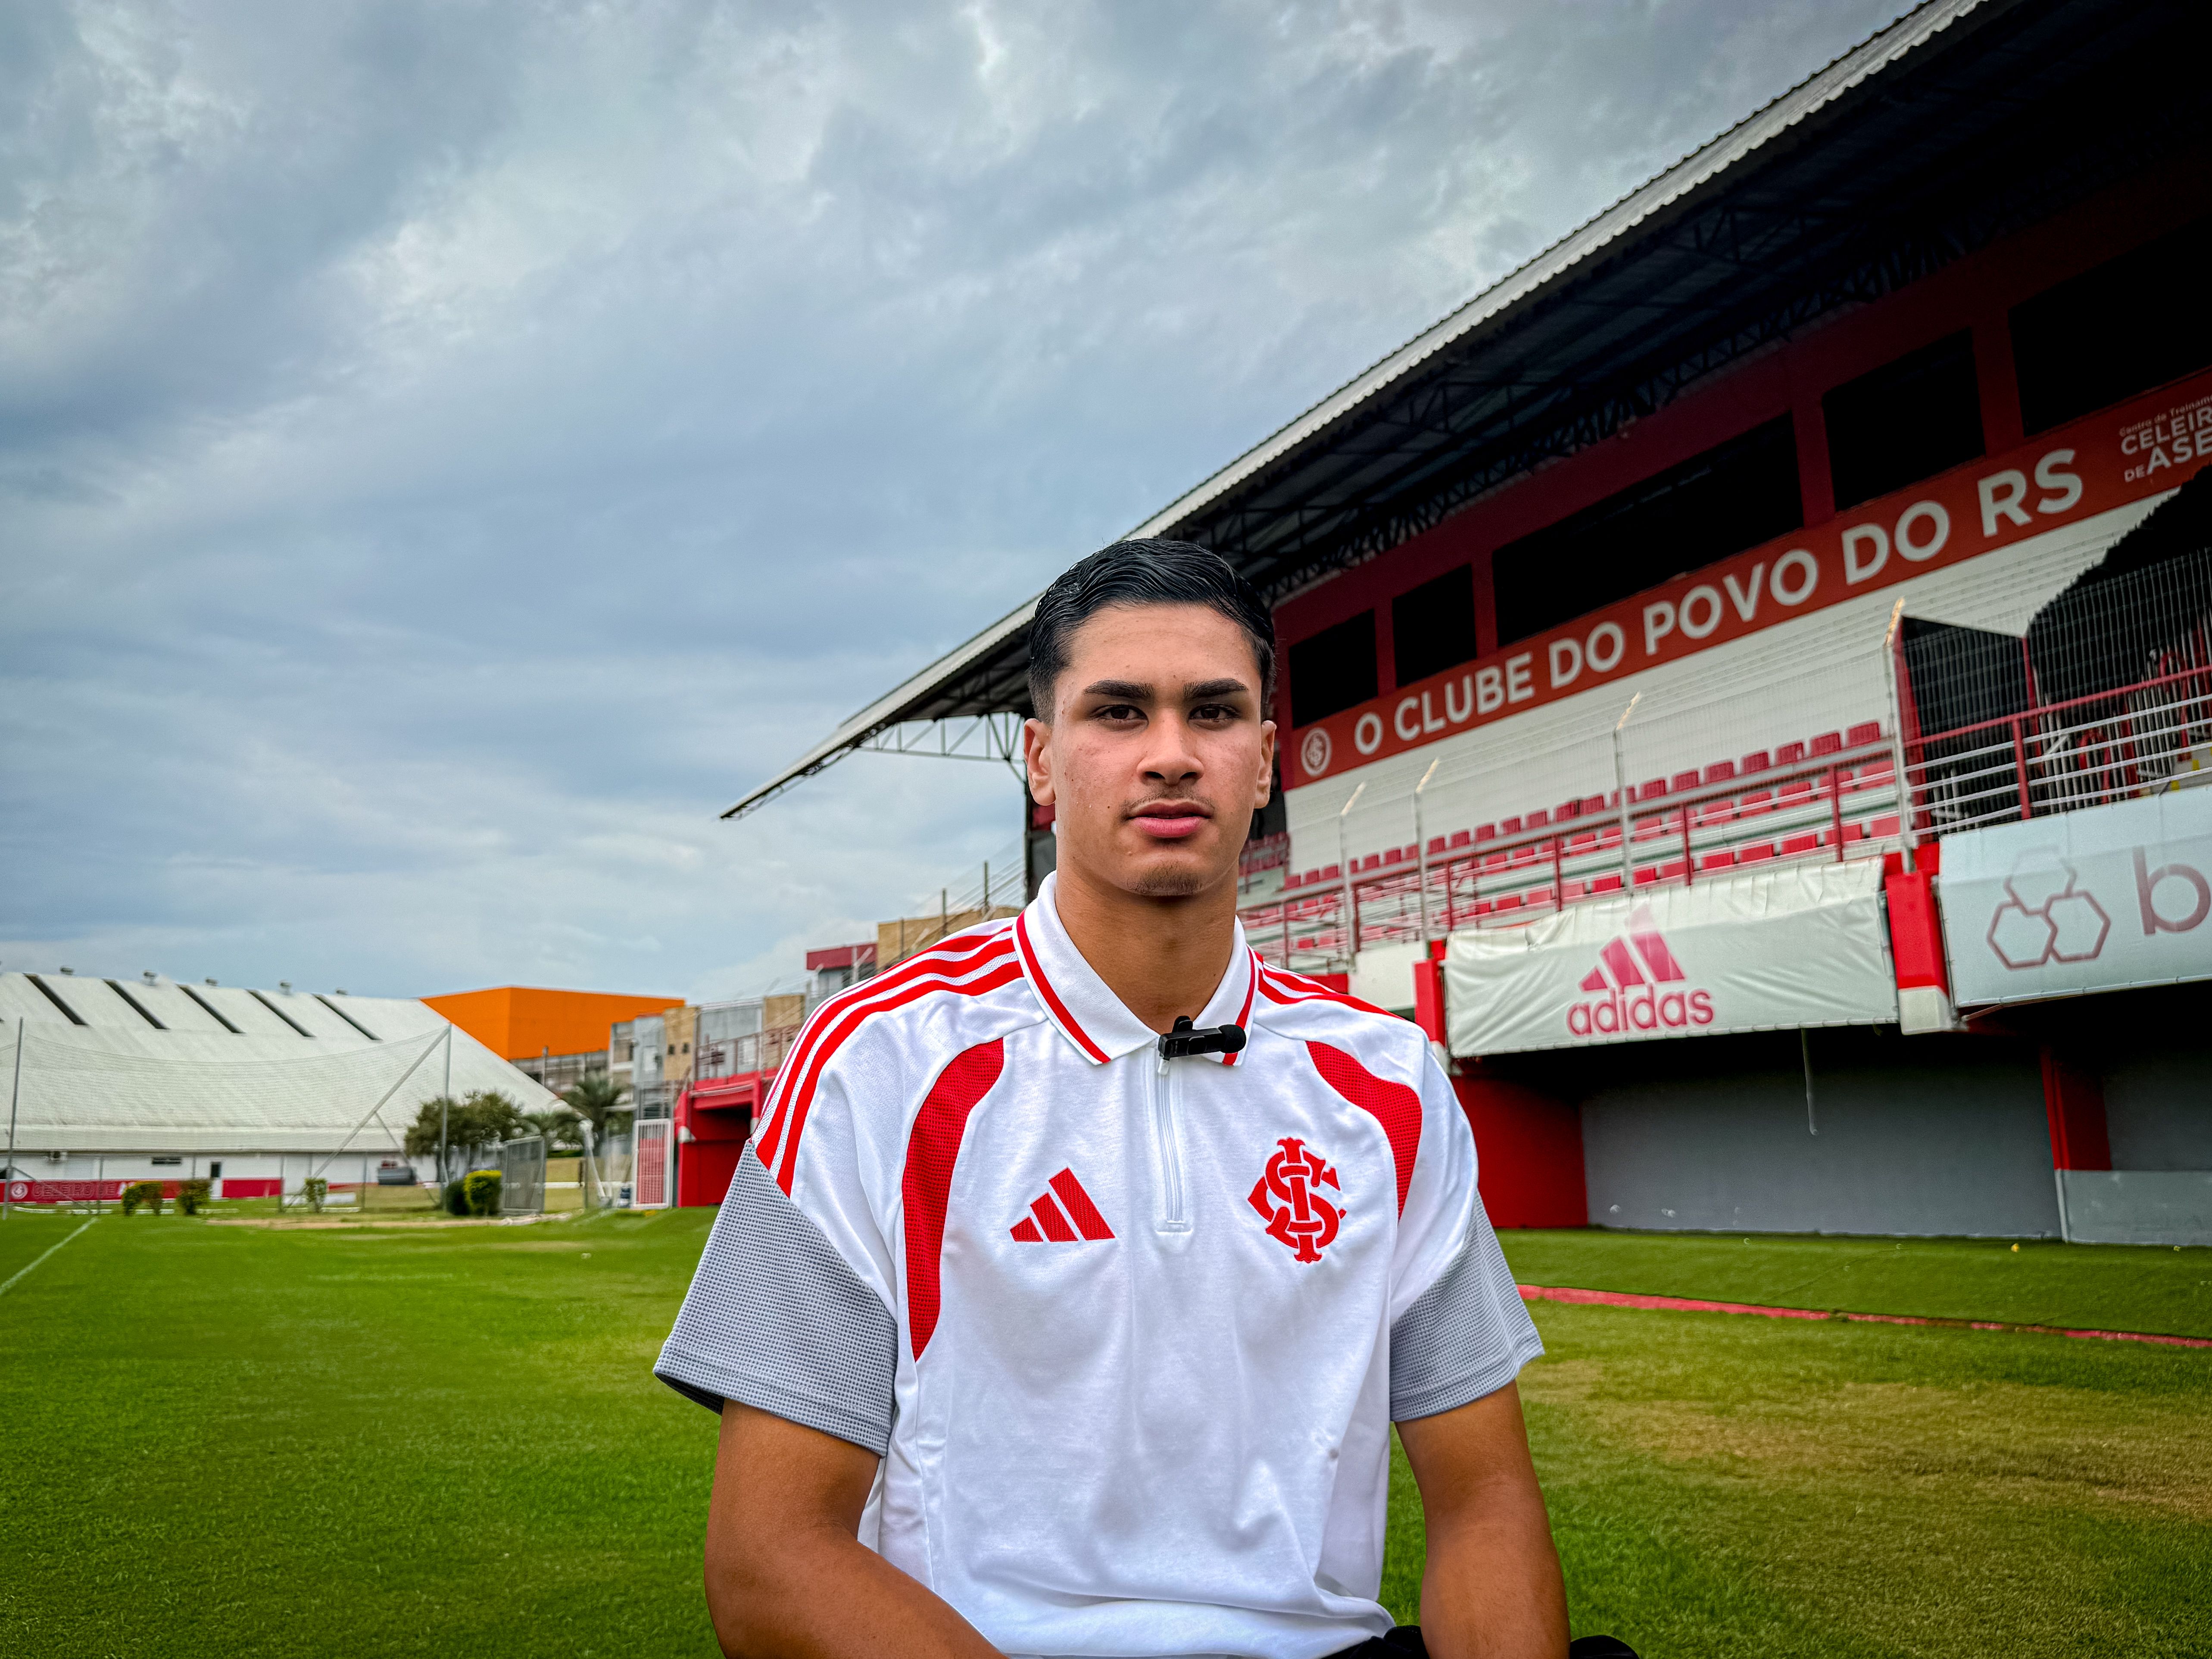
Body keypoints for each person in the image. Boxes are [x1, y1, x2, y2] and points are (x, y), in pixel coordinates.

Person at [657, 539, 1627, 1659]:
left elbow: (1484, 1505)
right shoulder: (874, 1065)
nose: (1170, 755)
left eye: (1213, 714)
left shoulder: (1391, 1084)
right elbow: (771, 1555)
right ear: (1038, 759)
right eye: (1118, 713)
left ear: (1264, 761)